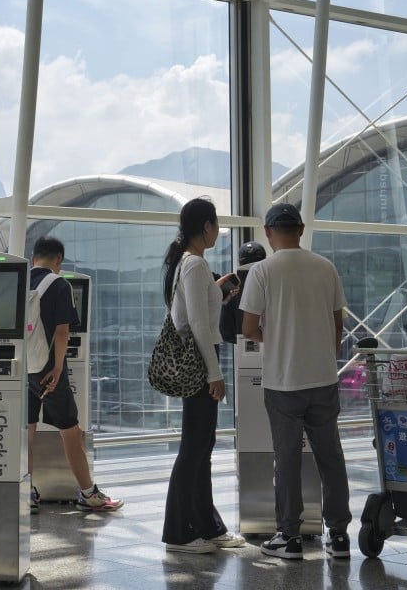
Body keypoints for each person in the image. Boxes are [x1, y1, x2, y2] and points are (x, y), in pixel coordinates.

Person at [239, 202, 352, 560]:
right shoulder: (325, 267)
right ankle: (338, 537)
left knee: (287, 459)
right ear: (301, 230)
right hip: (322, 379)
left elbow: (248, 328)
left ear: (269, 233)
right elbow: (338, 323)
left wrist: (277, 338)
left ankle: (288, 538)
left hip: (283, 382)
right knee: (330, 456)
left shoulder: (262, 271)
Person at [160, 198, 245, 554]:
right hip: (199, 362)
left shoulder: (190, 263)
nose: (219, 232)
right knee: (194, 449)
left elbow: (196, 311)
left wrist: (218, 288)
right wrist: (215, 373)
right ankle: (179, 533)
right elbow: (197, 324)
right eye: (217, 225)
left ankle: (206, 526)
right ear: (206, 226)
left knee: (202, 448)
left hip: (197, 359)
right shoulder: (194, 265)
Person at [28, 236, 123, 513]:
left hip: (23, 369)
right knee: (71, 431)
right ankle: (88, 493)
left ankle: (27, 492)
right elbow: (62, 331)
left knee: (27, 433)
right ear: (58, 260)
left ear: (34, 258)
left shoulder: (19, 283)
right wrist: (57, 368)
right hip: (48, 370)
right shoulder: (60, 285)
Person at [218, 241, 267, 344]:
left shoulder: (230, 285)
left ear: (239, 263)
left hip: (239, 347)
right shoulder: (274, 283)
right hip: (270, 343)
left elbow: (224, 330)